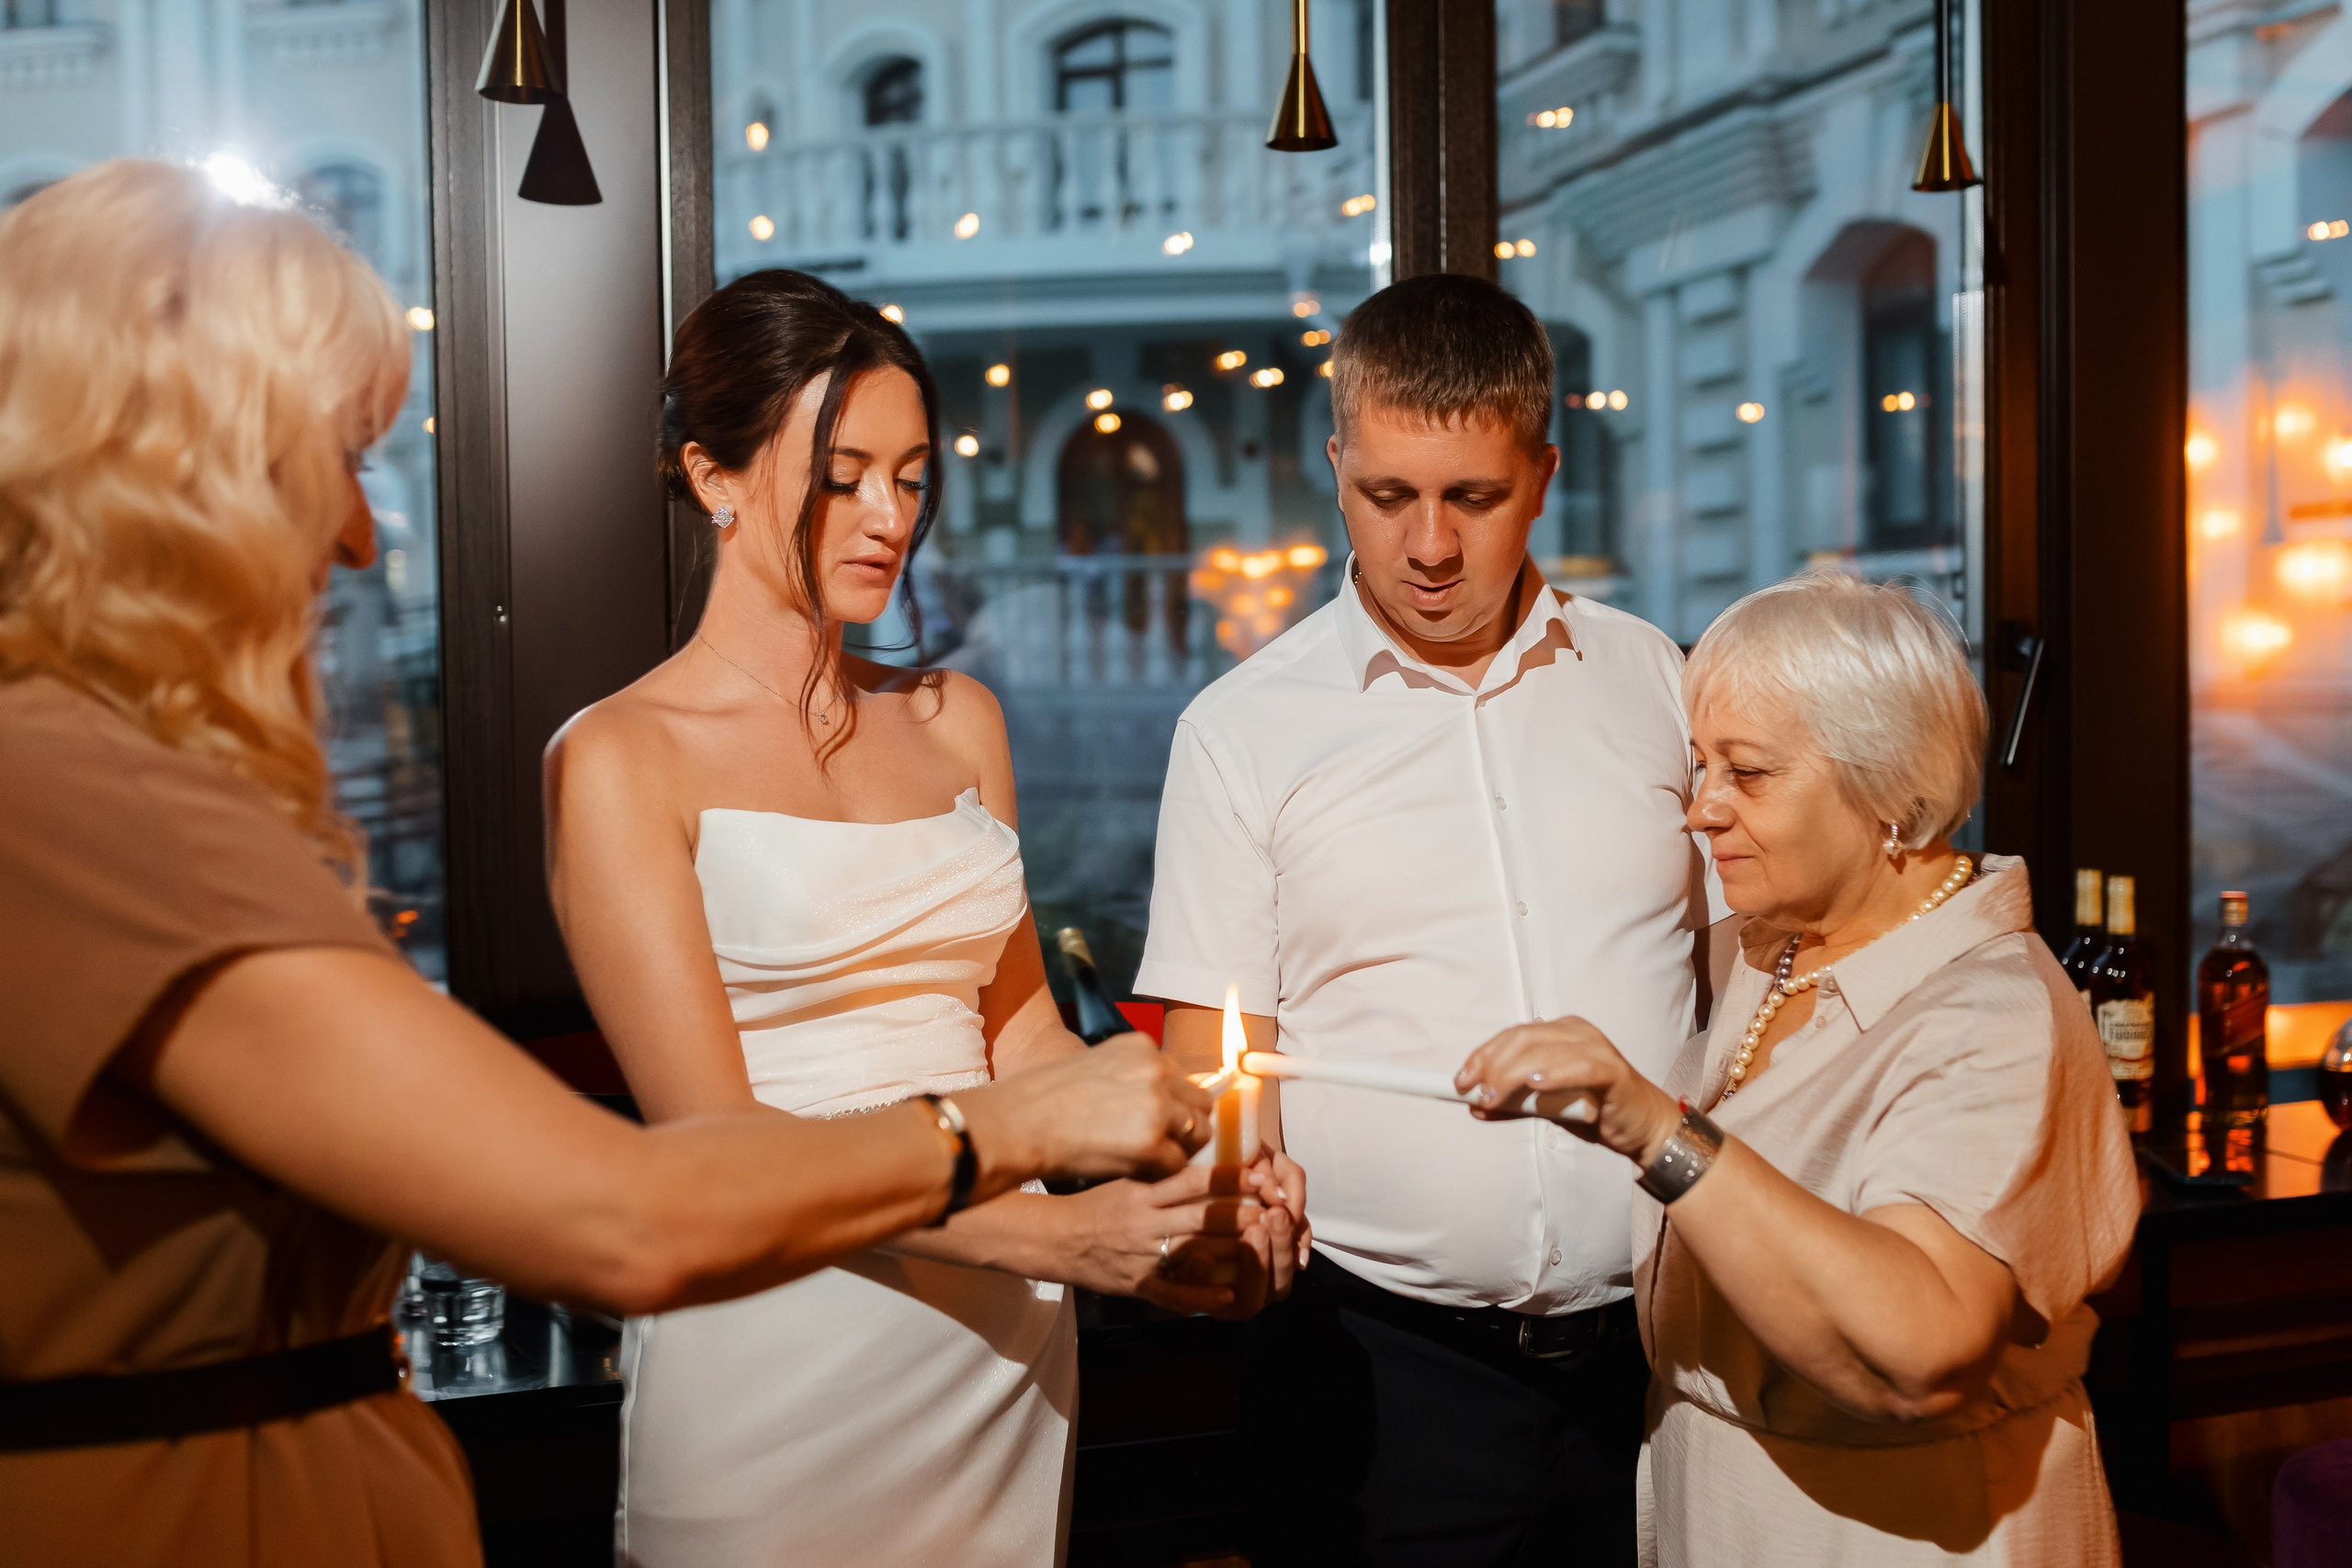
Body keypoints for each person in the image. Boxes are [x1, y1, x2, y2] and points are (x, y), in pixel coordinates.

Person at [0, 161, 1212, 1568]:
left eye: (911, 479)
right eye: (335, 452)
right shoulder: (75, 799)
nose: (360, 531)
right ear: (167, 474)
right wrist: (1019, 1141)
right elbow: (624, 1209)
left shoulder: (121, 785)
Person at [544, 267, 1310, 1568]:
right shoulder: (619, 756)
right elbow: (718, 1148)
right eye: (841, 475)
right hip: (781, 1342)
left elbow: (1026, 1053)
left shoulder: (957, 717)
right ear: (712, 474)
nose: (888, 515)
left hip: (1002, 1354)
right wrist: (1061, 1235)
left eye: (910, 475)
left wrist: (1203, 1165)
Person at [1136, 272, 1728, 1566]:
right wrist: (1240, 1188)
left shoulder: (1658, 681)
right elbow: (1216, 1037)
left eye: (1475, 496)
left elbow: (1740, 973)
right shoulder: (1243, 729)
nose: (1429, 547)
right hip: (1372, 1368)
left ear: (1545, 472)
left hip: (1667, 1348)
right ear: (1335, 462)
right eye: (1388, 494)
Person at [1454, 570, 2140, 1566]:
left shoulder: (1992, 1011)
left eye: (1749, 773)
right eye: (1701, 767)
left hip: (1906, 1527)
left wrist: (1657, 1132)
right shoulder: (1775, 943)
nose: (1699, 812)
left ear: (1890, 786)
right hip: (1724, 1503)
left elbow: (1921, 1351)